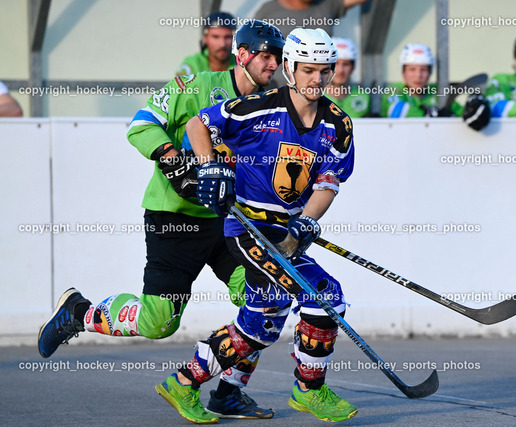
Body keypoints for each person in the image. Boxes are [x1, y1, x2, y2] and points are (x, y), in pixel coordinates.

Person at [36, 21, 285, 422]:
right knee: (158, 323)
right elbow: (140, 125)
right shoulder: (196, 82)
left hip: (231, 223)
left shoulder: (274, 106)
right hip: (176, 218)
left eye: (278, 57)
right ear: (242, 55)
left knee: (265, 302)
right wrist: (171, 156)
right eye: (266, 55)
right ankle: (78, 312)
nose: (273, 64)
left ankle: (229, 392)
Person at [156, 28, 357, 423]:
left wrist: (306, 225)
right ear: (290, 68)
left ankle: (184, 382)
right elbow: (198, 125)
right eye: (308, 70)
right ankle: (308, 390)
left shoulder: (338, 124)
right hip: (249, 228)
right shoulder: (258, 107)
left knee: (261, 324)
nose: (317, 79)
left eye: (325, 71)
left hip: (287, 232)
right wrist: (208, 163)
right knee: (326, 296)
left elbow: (328, 184)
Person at [381, 43, 465, 118]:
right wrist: (433, 115)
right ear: (403, 72)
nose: (418, 75)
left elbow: (462, 113)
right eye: (412, 69)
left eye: (424, 70)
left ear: (430, 72)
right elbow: (396, 111)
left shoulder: (436, 91)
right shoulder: (394, 89)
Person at [176, 11, 236, 76]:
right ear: (205, 38)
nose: (222, 44)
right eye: (215, 37)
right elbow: (179, 84)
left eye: (228, 37)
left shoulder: (242, 64)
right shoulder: (193, 64)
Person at [324, 37, 370, 117]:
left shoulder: (363, 97)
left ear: (353, 67)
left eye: (346, 64)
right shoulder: (315, 96)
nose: (341, 70)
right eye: (336, 63)